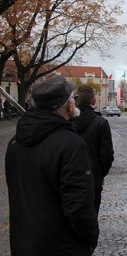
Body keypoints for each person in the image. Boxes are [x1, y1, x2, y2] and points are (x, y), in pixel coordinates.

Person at [5, 75, 99, 255]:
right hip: (61, 246)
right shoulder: (71, 145)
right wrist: (90, 239)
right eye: (72, 98)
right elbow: (78, 205)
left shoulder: (15, 142)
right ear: (69, 106)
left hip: (24, 243)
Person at [74, 84, 115, 214]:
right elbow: (107, 155)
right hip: (93, 177)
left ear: (76, 101)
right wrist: (100, 174)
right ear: (93, 101)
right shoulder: (100, 123)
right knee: (91, 216)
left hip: (69, 176)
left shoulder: (67, 122)